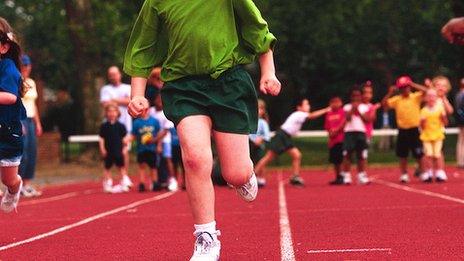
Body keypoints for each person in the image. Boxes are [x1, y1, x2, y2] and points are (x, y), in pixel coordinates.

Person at [124, 1, 281, 259]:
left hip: (228, 82)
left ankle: (244, 174)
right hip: (183, 86)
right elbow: (143, 46)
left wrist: (268, 72)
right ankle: (206, 238)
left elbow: (257, 28)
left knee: (235, 174)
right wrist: (137, 94)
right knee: (195, 158)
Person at [254, 98, 330, 186]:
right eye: (306, 104)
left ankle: (295, 177)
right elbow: (312, 115)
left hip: (285, 136)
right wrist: (326, 110)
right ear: (299, 107)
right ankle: (252, 176)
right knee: (268, 158)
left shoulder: (299, 116)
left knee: (296, 155)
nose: (308, 106)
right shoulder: (299, 114)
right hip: (282, 136)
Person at [0, 17, 26, 212]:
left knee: (8, 179)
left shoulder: (8, 69)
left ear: (4, 47)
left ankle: (15, 187)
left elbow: (9, 97)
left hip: (8, 134)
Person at [382, 76, 425, 183]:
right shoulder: (397, 100)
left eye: (406, 87)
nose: (405, 89)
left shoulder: (415, 97)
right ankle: (404, 174)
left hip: (414, 129)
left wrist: (413, 84)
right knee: (402, 154)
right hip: (403, 130)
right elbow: (384, 104)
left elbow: (427, 91)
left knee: (419, 154)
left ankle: (423, 172)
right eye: (402, 88)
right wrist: (390, 93)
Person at [100, 66, 133, 189]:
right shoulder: (105, 89)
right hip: (110, 128)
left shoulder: (128, 87)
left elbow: (131, 101)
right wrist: (121, 101)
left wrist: (114, 100)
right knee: (110, 153)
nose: (113, 76)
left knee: (124, 151)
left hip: (125, 124)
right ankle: (108, 179)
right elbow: (105, 103)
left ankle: (125, 177)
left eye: (115, 74)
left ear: (120, 74)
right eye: (110, 74)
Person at [18, 54, 43, 198]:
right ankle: (18, 184)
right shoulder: (15, 81)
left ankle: (27, 184)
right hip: (20, 119)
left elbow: (33, 104)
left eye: (27, 65)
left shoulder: (31, 83)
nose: (25, 68)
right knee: (23, 152)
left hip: (31, 119)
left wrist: (38, 123)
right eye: (23, 66)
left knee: (32, 151)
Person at [340, 87, 371, 185]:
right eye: (354, 96)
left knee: (360, 155)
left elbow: (367, 119)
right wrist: (353, 108)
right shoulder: (346, 107)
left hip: (361, 131)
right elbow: (347, 118)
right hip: (349, 132)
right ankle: (347, 175)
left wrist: (358, 110)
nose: (356, 98)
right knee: (347, 154)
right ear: (351, 97)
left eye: (358, 95)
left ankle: (361, 175)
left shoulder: (364, 107)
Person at [127, 108, 162, 192]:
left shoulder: (154, 121)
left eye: (146, 109)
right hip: (141, 149)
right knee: (142, 166)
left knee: (153, 167)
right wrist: (127, 140)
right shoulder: (137, 123)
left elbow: (158, 135)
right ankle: (142, 183)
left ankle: (155, 183)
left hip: (152, 148)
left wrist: (159, 145)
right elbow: (133, 135)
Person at [98, 103, 130, 193]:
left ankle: (124, 181)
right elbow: (101, 138)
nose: (112, 113)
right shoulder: (104, 126)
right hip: (108, 150)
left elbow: (125, 139)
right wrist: (102, 148)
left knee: (121, 166)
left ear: (117, 113)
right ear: (106, 113)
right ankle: (108, 182)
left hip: (118, 149)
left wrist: (124, 149)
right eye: (109, 111)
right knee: (107, 167)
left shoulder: (121, 126)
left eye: (114, 111)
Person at [150, 94, 177, 191]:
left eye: (161, 100)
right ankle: (156, 181)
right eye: (157, 99)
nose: (159, 101)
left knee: (167, 159)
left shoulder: (166, 112)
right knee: (155, 161)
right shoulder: (151, 111)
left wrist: (157, 142)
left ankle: (172, 179)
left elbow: (165, 131)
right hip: (152, 140)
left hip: (165, 140)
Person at [420, 89, 448, 182]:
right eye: (429, 96)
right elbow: (422, 126)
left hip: (437, 135)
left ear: (436, 98)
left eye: (433, 96)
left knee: (437, 154)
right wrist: (422, 122)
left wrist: (443, 117)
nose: (431, 98)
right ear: (425, 98)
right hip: (427, 136)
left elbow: (445, 122)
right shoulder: (423, 110)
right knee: (429, 154)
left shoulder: (440, 109)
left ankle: (440, 172)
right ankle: (429, 172)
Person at [324, 96, 345, 185]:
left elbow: (344, 122)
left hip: (341, 139)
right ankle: (337, 177)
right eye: (333, 102)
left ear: (341, 103)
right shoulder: (329, 114)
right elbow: (327, 127)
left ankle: (342, 176)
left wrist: (336, 130)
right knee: (335, 160)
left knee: (341, 159)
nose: (335, 104)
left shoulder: (343, 112)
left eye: (337, 102)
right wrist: (330, 133)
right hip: (332, 140)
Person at [249, 99, 271, 187]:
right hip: (249, 144)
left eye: (260, 109)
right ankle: (248, 178)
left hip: (259, 146)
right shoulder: (249, 121)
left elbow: (266, 135)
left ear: (263, 111)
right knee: (249, 161)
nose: (257, 111)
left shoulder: (263, 123)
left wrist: (260, 139)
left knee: (260, 160)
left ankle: (261, 178)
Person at [455, 78, 464, 168]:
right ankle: (461, 161)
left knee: (460, 141)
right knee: (462, 141)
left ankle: (460, 161)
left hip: (460, 120)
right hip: (462, 120)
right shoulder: (462, 95)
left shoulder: (458, 94)